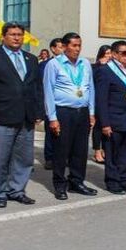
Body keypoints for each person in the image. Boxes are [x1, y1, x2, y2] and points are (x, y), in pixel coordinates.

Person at [0, 22, 44, 208]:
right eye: (13, 34)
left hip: (26, 117)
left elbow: (37, 88)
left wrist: (39, 111)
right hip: (0, 117)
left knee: (24, 158)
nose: (17, 38)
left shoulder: (31, 59)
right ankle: (0, 192)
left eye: (20, 35)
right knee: (0, 158)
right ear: (4, 37)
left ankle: (17, 190)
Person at [44, 32, 97, 200]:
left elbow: (91, 88)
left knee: (80, 150)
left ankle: (77, 181)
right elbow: (48, 92)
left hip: (82, 112)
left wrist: (91, 112)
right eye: (74, 45)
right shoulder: (54, 64)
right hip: (63, 112)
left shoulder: (85, 64)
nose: (77, 49)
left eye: (79, 45)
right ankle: (60, 185)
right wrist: (52, 118)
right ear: (65, 46)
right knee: (62, 150)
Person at [95, 40, 126, 194]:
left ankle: (123, 180)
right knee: (112, 153)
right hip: (113, 119)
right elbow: (101, 99)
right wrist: (105, 123)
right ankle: (112, 181)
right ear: (114, 54)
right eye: (123, 53)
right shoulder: (105, 70)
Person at [40, 38, 63, 170]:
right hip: (49, 102)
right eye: (60, 47)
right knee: (51, 132)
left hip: (63, 103)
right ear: (53, 49)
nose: (63, 49)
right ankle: (49, 157)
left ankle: (61, 157)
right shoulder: (46, 64)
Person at [91, 45, 112, 164]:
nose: (108, 56)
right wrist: (101, 65)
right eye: (106, 53)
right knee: (99, 126)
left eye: (110, 53)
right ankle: (97, 150)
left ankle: (105, 149)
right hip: (98, 99)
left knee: (107, 125)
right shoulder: (95, 67)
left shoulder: (112, 67)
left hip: (110, 101)